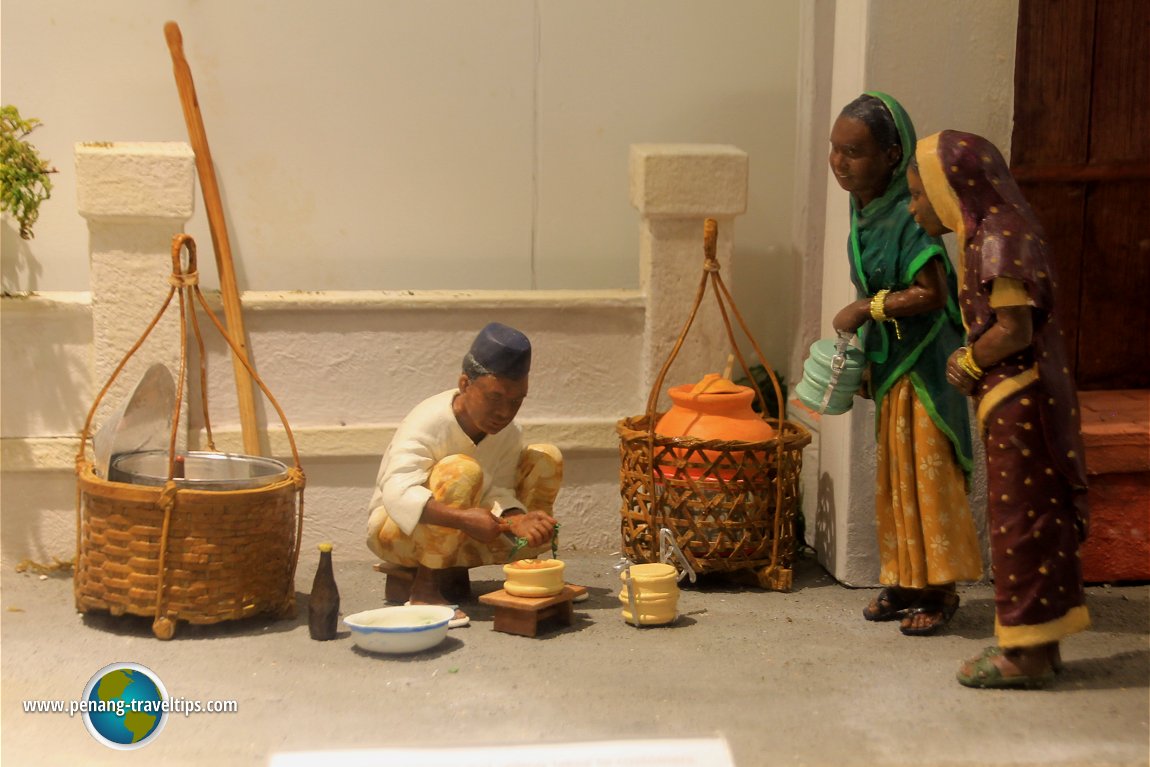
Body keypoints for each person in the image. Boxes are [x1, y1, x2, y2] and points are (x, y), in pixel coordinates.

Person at [909, 130, 1090, 688]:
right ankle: (1041, 639)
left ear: (951, 188)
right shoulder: (992, 231)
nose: (916, 208)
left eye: (920, 195)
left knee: (1020, 524)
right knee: (1035, 518)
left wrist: (966, 362)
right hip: (1014, 396)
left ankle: (1024, 653)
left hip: (1019, 396)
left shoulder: (998, 239)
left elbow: (1013, 329)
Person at [828, 92, 983, 636]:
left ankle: (939, 590)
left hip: (926, 361)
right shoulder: (864, 210)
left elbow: (933, 293)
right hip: (893, 356)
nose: (840, 163)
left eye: (854, 152)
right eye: (835, 149)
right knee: (895, 472)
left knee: (928, 471)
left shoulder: (912, 213)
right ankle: (903, 579)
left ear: (893, 156)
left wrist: (865, 309)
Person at [366, 322, 564, 628]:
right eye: (495, 397)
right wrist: (462, 519)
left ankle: (536, 575)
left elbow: (497, 487)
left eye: (516, 401)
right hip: (398, 533)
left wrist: (516, 518)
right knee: (461, 470)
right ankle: (425, 589)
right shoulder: (428, 421)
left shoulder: (509, 432)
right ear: (465, 384)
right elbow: (397, 492)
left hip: (466, 532)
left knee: (545, 457)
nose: (504, 412)